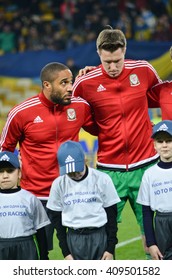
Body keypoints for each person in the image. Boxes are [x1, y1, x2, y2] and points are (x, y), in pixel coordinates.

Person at [72, 26, 164, 258]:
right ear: (98, 54)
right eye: (107, 62)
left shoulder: (143, 70)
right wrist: (100, 129)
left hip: (147, 166)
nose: (112, 67)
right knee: (101, 239)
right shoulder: (85, 83)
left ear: (125, 51)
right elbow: (75, 115)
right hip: (109, 169)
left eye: (117, 60)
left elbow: (161, 95)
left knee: (153, 240)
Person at [0, 62, 98, 252]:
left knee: (81, 251)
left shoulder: (80, 107)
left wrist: (96, 79)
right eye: (64, 83)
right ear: (47, 85)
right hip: (36, 197)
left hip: (72, 192)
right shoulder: (21, 113)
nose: (70, 87)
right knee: (39, 254)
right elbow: (5, 150)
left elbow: (104, 127)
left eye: (71, 82)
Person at [46, 140, 120, 260]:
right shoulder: (58, 184)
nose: (75, 174)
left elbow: (112, 215)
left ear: (85, 159)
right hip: (74, 239)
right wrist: (65, 252)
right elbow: (57, 221)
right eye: (70, 172)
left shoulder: (102, 179)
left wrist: (110, 248)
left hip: (100, 236)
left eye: (77, 170)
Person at [0, 151, 50, 260]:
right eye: (1, 172)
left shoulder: (30, 199)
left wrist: (44, 257)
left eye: (10, 171)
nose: (5, 176)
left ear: (19, 173)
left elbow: (41, 232)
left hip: (25, 248)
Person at [137, 120, 172, 260]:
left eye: (169, 141)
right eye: (160, 141)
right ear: (154, 145)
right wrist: (151, 243)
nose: (164, 145)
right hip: (161, 223)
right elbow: (146, 213)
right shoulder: (149, 174)